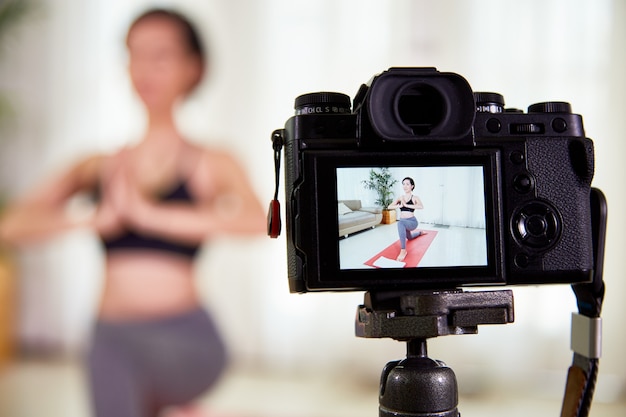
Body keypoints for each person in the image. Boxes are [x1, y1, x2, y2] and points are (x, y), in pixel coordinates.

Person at [0, 8, 266, 417]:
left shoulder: (212, 162)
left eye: (160, 55)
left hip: (187, 339)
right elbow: (12, 226)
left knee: (114, 364)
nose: (144, 69)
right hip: (111, 335)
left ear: (193, 68)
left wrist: (148, 215)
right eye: (134, 55)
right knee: (112, 355)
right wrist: (92, 219)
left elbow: (258, 222)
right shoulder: (97, 165)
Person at [387, 177, 424, 262]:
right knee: (410, 237)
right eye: (403, 184)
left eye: (407, 184)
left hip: (412, 222)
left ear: (412, 186)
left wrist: (407, 206)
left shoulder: (415, 197)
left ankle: (403, 250)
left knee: (400, 223)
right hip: (404, 223)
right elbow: (389, 206)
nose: (405, 186)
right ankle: (420, 233)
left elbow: (421, 206)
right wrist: (399, 206)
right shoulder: (400, 198)